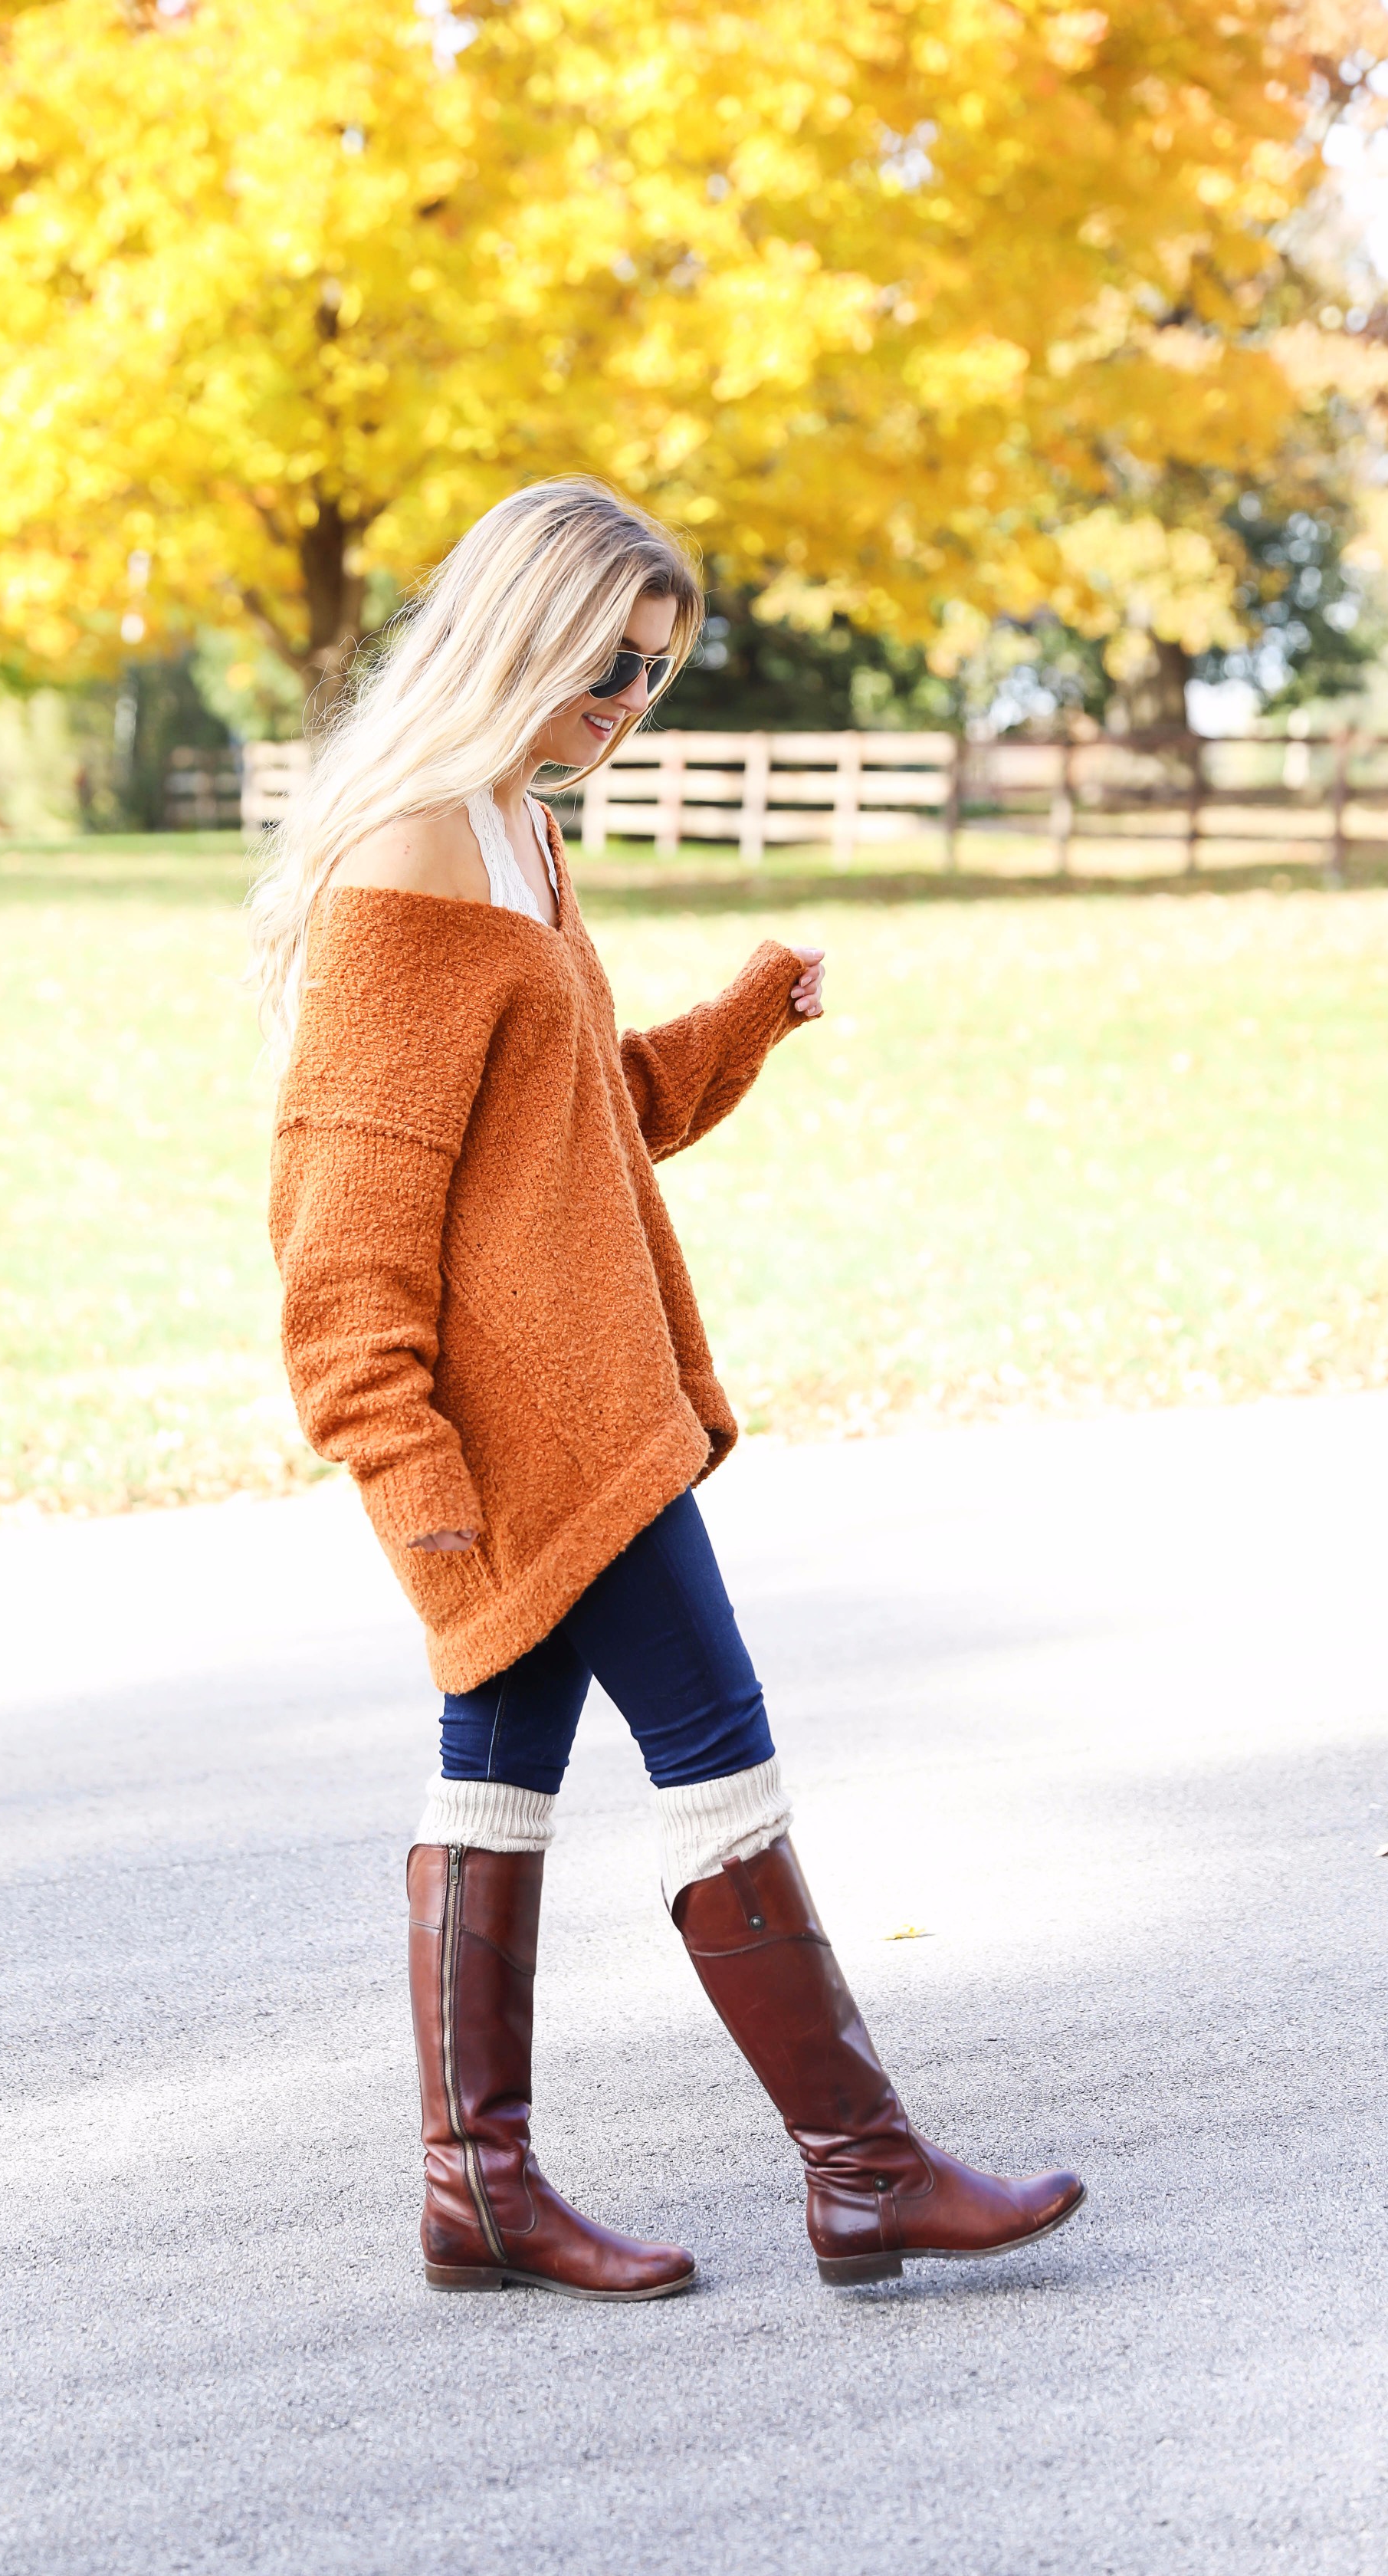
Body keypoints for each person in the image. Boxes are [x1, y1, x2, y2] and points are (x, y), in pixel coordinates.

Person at [251, 478, 1084, 2302]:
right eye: (605, 668)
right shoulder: (409, 854)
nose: (627, 707)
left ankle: (478, 2192)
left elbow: (585, 1123)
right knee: (718, 1752)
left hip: (570, 1408)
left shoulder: (515, 838)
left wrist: (743, 1019)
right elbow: (342, 1238)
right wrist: (420, 1491)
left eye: (652, 677)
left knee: (496, 1784)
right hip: (531, 1444)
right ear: (516, 636)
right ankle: (860, 2171)